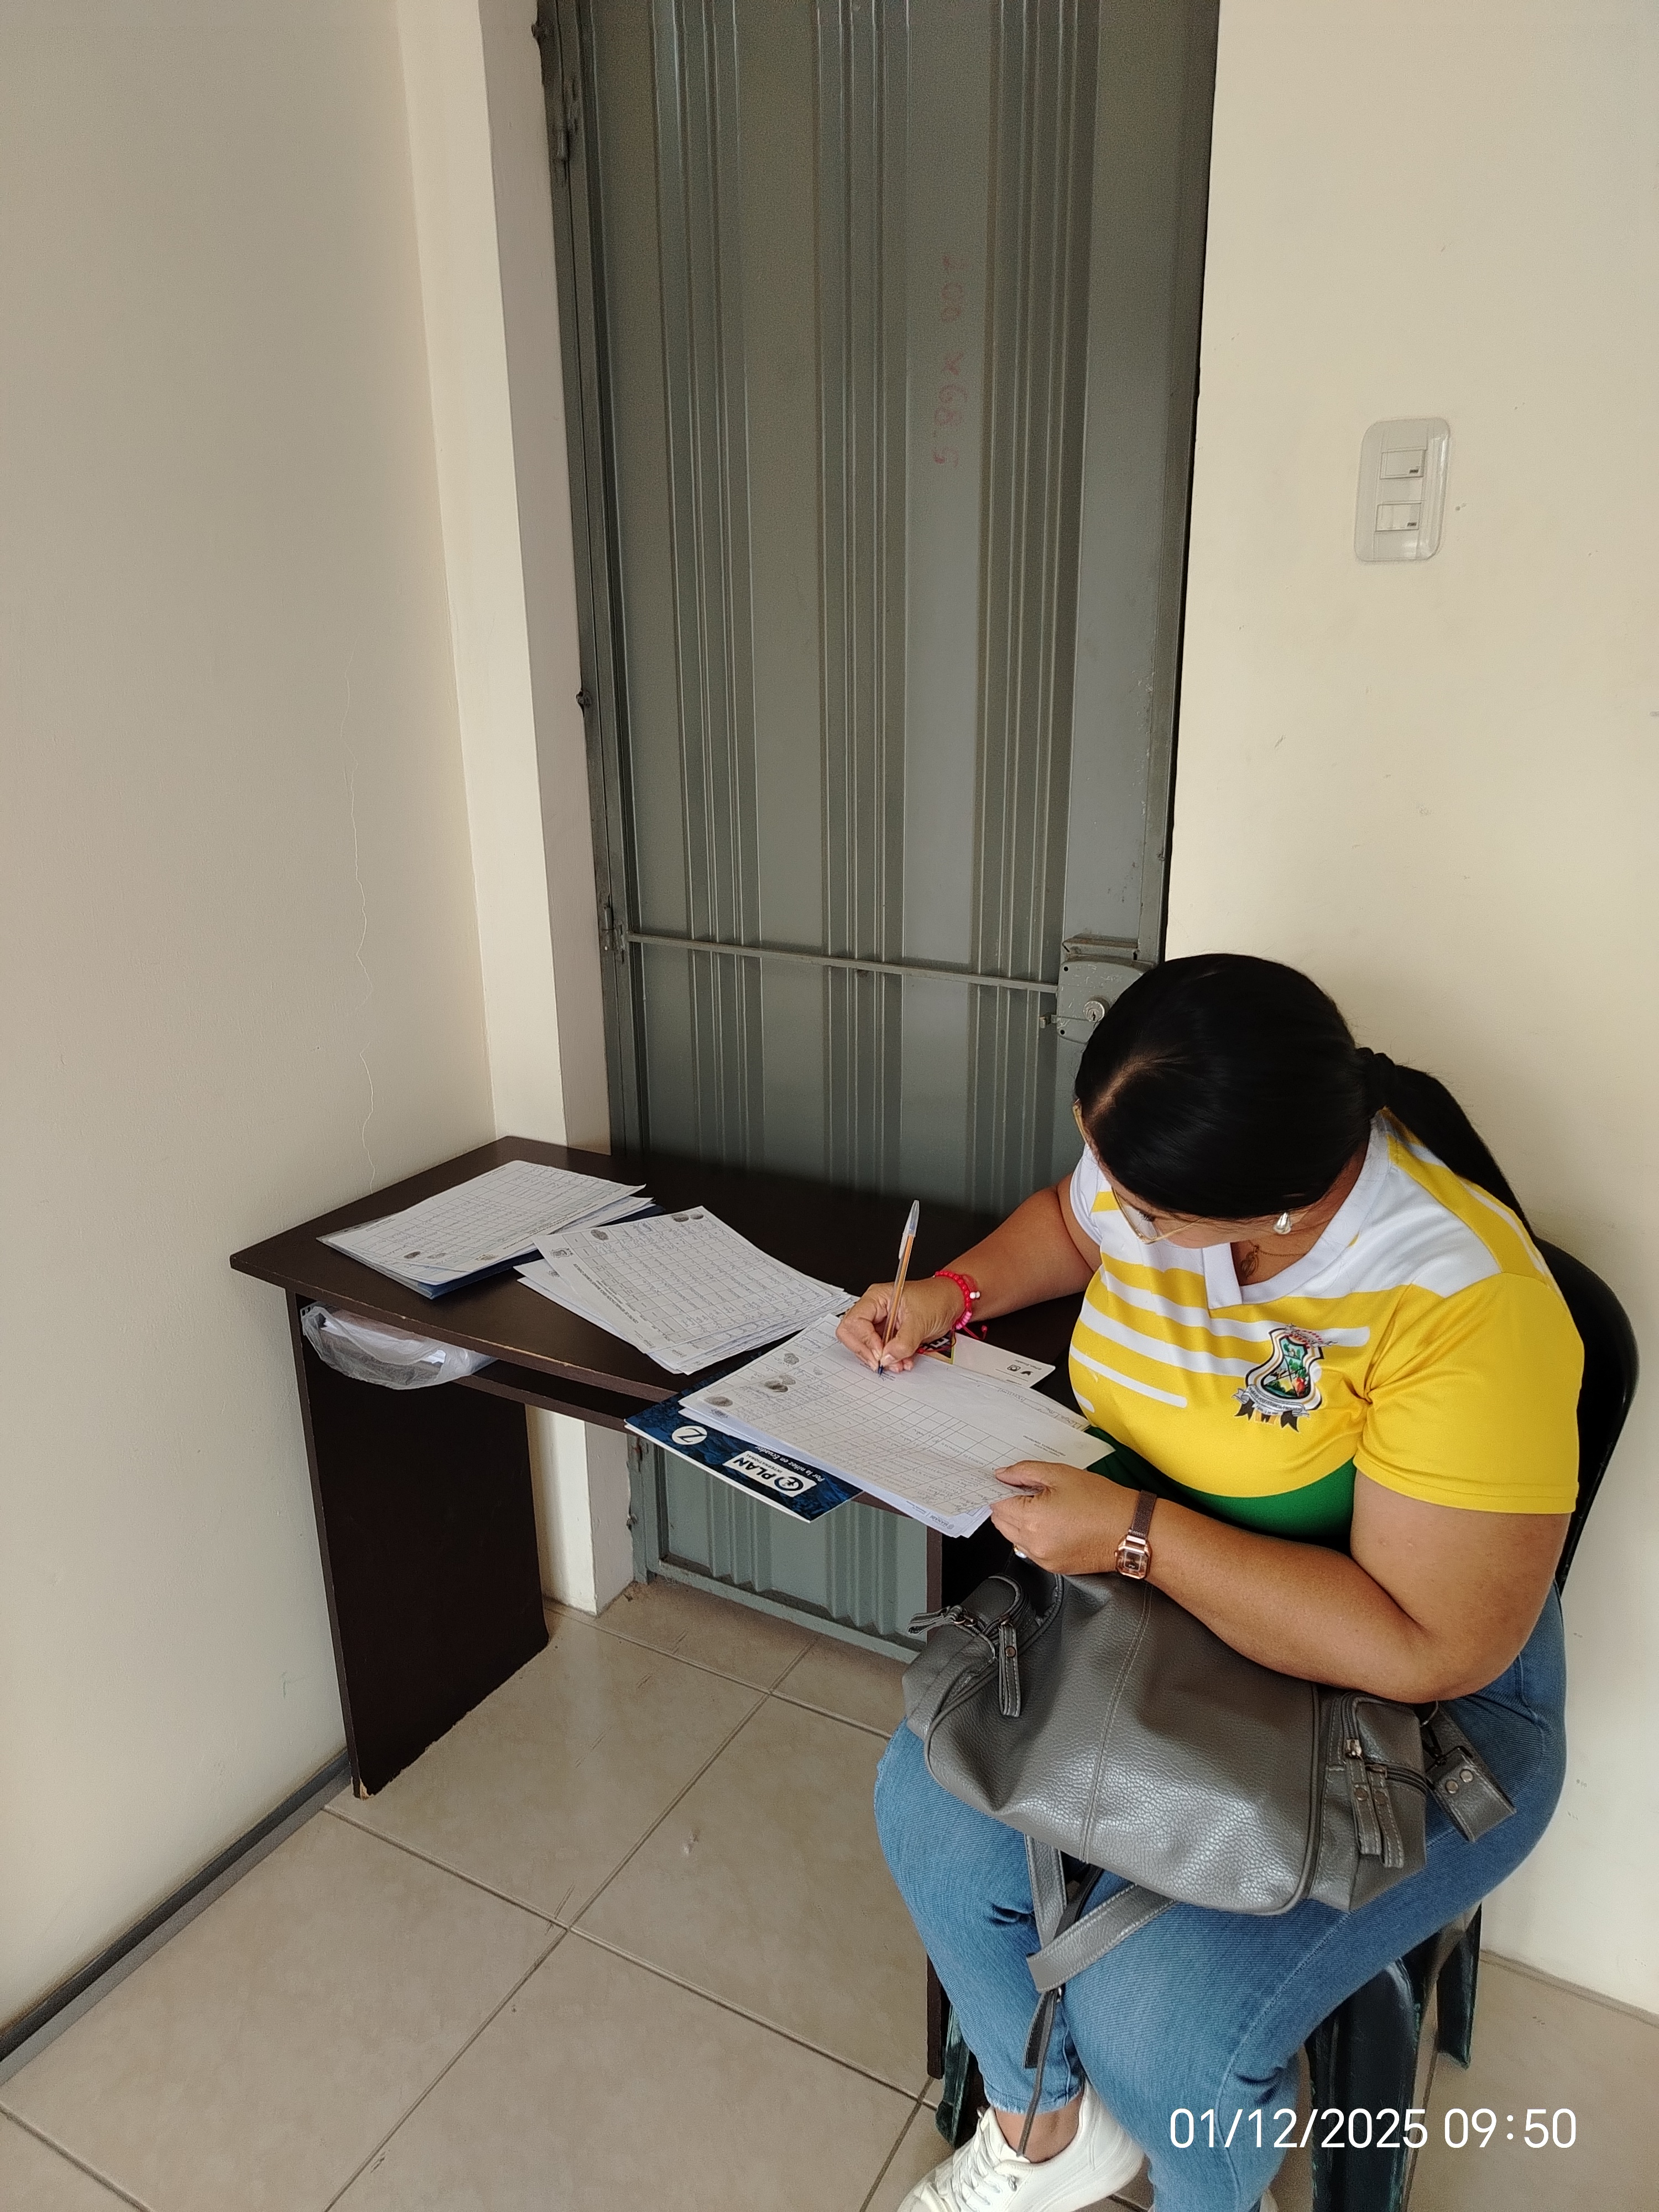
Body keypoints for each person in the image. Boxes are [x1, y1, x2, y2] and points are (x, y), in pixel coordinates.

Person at [838, 954, 1579, 2212]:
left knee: (1161, 2020)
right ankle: (1042, 2133)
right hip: (1169, 1612)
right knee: (929, 1809)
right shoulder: (1165, 1179)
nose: (1114, 1211)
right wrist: (946, 1294)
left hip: (1414, 1709)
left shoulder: (1463, 1304)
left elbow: (1431, 1644)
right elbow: (1072, 1221)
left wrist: (1139, 1535)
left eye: (1148, 1208)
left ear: (1275, 1208)